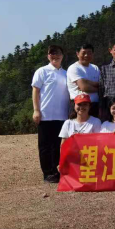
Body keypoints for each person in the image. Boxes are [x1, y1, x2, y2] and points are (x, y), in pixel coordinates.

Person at [31, 45, 70, 183]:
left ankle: (56, 171)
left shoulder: (66, 73)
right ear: (48, 56)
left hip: (62, 115)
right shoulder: (42, 71)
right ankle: (47, 173)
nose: (55, 56)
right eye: (52, 53)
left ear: (62, 55)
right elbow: (35, 91)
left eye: (58, 53)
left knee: (57, 145)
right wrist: (36, 110)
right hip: (45, 115)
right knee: (45, 146)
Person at [66, 43, 100, 117]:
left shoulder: (95, 68)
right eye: (83, 53)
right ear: (77, 54)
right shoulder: (74, 68)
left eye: (89, 53)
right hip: (79, 104)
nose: (86, 55)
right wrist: (99, 88)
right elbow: (84, 87)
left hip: (94, 105)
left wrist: (86, 82)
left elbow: (101, 84)